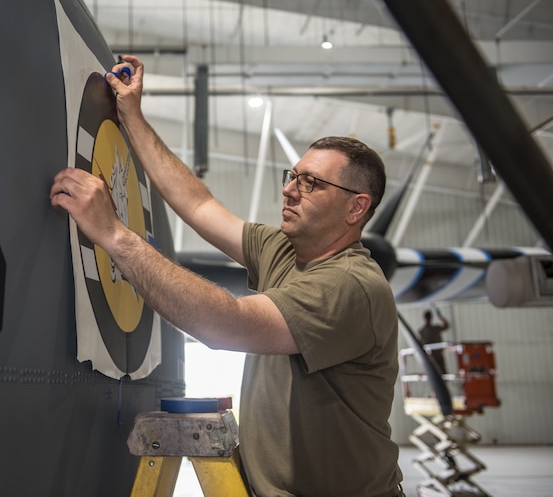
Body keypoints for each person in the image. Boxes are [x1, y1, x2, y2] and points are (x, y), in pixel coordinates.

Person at [50, 55, 403, 496]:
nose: (289, 188)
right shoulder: (283, 250)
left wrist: (114, 235)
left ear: (357, 207)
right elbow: (198, 205)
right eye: (293, 176)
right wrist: (133, 116)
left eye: (312, 183)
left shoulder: (351, 286)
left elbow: (228, 323)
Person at [418, 308, 451, 373]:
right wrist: (441, 317)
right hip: (431, 356)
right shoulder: (423, 331)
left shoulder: (429, 330)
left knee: (441, 373)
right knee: (436, 373)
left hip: (436, 355)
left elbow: (446, 326)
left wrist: (440, 317)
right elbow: (446, 326)